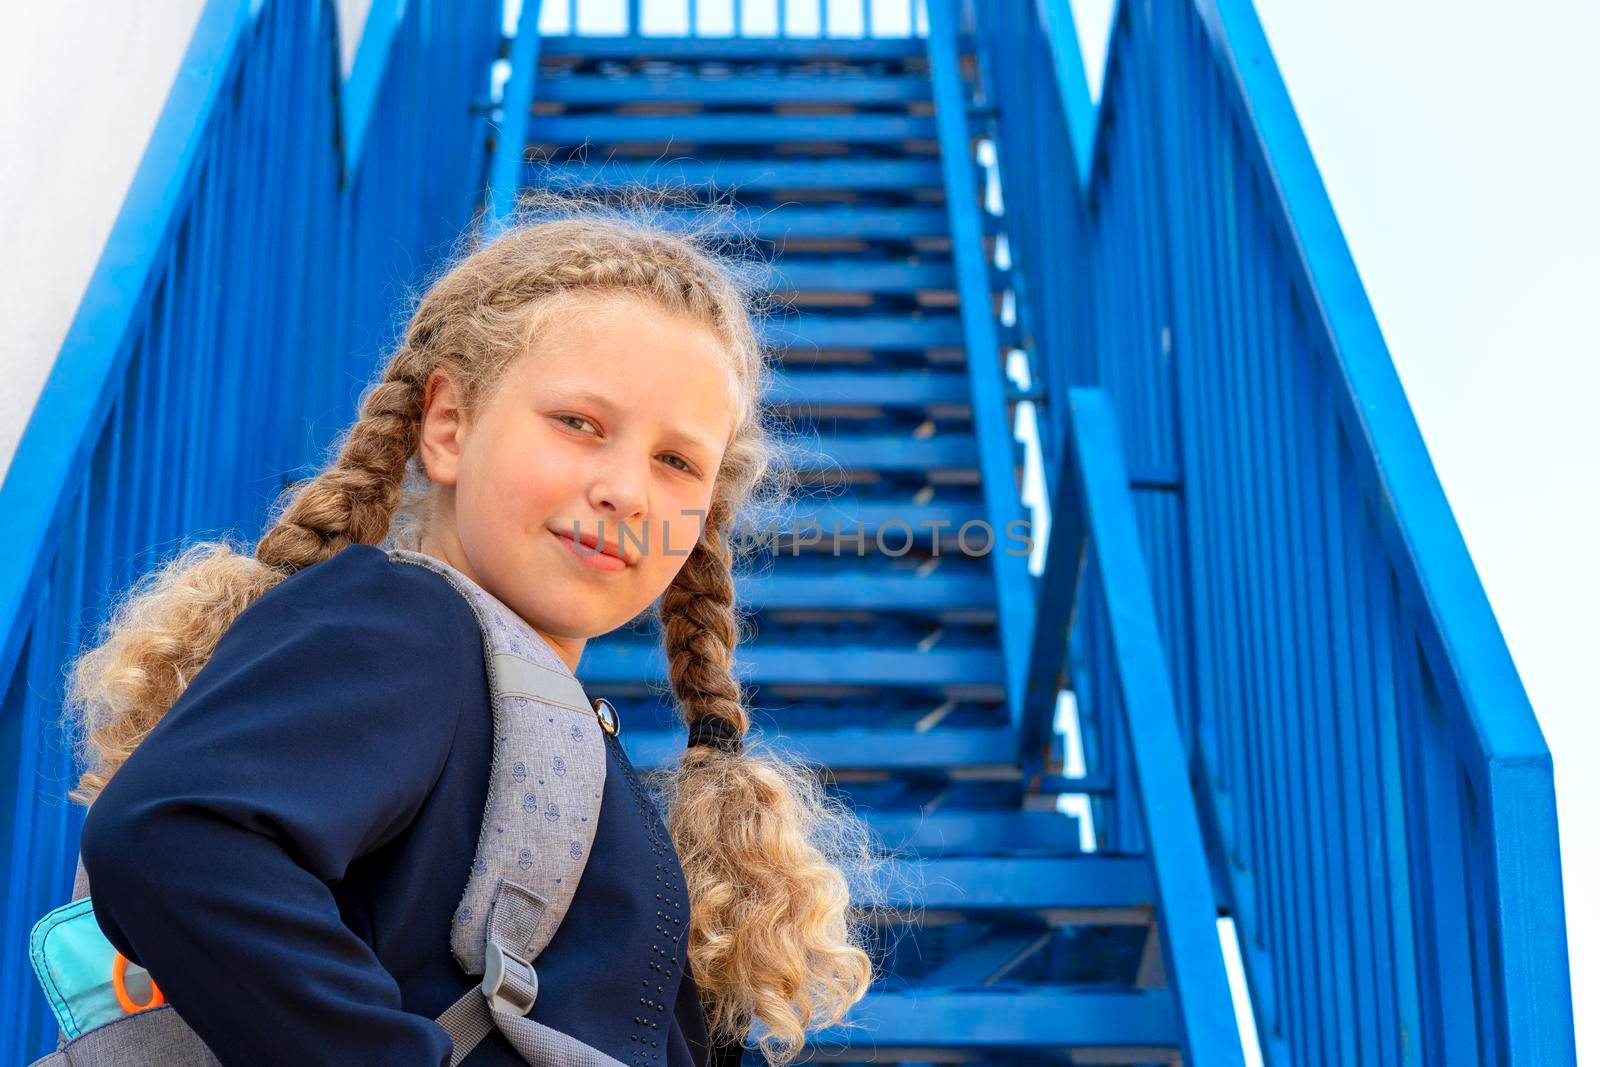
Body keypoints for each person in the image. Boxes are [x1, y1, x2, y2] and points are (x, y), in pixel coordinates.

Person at [63, 190, 881, 1066]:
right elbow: (174, 834)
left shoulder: (544, 730)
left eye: (677, 462)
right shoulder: (409, 625)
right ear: (448, 426)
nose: (627, 490)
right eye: (579, 423)